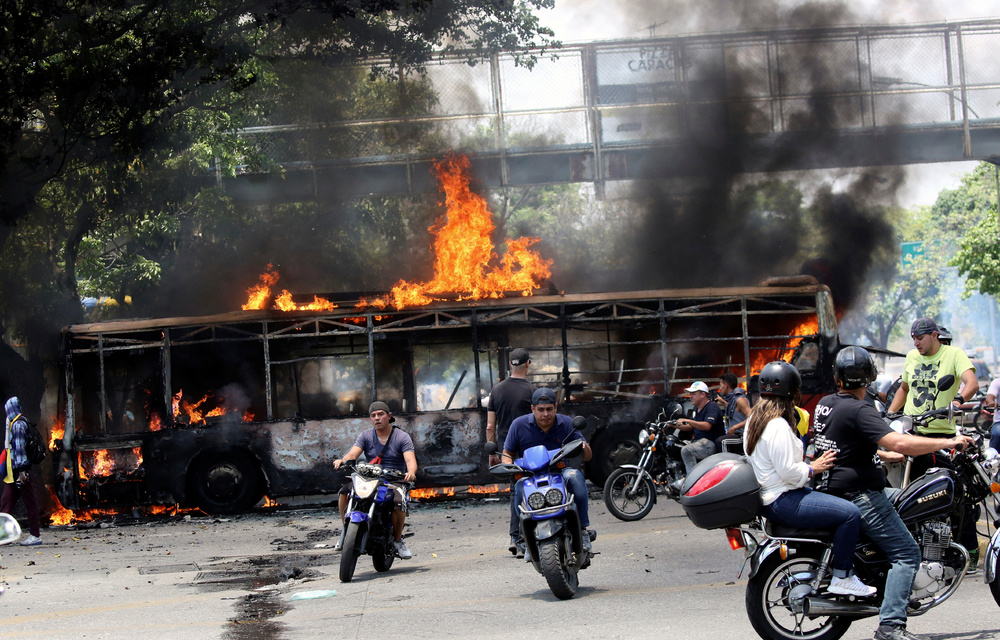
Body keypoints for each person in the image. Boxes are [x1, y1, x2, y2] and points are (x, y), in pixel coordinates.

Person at [813, 346, 973, 640]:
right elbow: (899, 442)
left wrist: (885, 458)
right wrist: (946, 442)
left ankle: (891, 584)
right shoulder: (859, 409)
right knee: (907, 553)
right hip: (860, 494)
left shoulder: (825, 404)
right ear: (870, 378)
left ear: (837, 377)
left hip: (835, 487)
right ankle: (891, 625)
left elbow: (844, 444)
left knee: (904, 502)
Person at [743, 361, 876, 597]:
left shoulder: (754, 421)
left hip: (770, 497)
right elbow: (789, 473)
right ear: (793, 393)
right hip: (784, 498)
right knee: (850, 513)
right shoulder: (778, 426)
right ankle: (843, 577)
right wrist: (813, 468)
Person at [502, 387, 594, 553]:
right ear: (533, 409)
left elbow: (587, 456)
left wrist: (583, 446)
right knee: (518, 487)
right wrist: (510, 466)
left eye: (549, 409)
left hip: (559, 473)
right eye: (541, 410)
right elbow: (507, 453)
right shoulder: (519, 425)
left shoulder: (567, 424)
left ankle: (582, 530)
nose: (545, 414)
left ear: (556, 407)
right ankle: (523, 536)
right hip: (530, 476)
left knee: (575, 476)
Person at [333, 401, 418, 559]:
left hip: (393, 480)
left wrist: (411, 472)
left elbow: (410, 461)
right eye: (373, 415)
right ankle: (345, 530)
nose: (377, 418)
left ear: (389, 417)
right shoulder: (365, 435)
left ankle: (398, 540)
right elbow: (352, 454)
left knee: (399, 502)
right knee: (345, 492)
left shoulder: (402, 437)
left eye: (380, 414)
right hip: (370, 478)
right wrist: (342, 460)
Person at [887, 317, 977, 436]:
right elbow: (904, 389)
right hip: (910, 430)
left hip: (941, 433)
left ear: (934, 335)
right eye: (914, 339)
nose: (915, 343)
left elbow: (972, 383)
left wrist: (958, 401)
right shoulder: (911, 356)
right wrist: (889, 414)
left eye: (920, 338)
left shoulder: (954, 354)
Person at [485, 347, 534, 557]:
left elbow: (489, 426)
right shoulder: (532, 391)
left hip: (506, 449)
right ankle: (529, 537)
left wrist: (491, 452)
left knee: (515, 490)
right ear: (527, 364)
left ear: (510, 365)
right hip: (530, 448)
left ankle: (516, 537)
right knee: (533, 488)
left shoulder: (496, 390)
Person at [2, 397, 41, 545]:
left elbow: (19, 450)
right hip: (13, 474)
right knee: (6, 504)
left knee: (30, 504)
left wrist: (22, 472)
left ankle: (35, 536)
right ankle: (5, 537)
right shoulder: (16, 422)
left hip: (20, 473)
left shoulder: (18, 425)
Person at [675, 381, 724, 475]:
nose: (690, 396)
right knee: (676, 446)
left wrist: (688, 420)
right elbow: (690, 427)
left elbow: (707, 426)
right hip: (698, 442)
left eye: (693, 393)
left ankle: (693, 480)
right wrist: (671, 425)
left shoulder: (712, 407)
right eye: (690, 394)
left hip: (710, 443)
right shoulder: (696, 409)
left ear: (703, 394)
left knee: (686, 450)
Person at [714, 372, 751, 451]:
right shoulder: (733, 400)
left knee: (721, 442)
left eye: (721, 385)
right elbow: (736, 411)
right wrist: (725, 403)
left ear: (726, 385)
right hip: (735, 436)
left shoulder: (740, 399)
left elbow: (753, 417)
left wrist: (735, 427)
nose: (720, 388)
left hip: (741, 436)